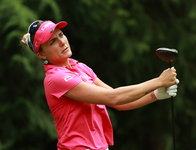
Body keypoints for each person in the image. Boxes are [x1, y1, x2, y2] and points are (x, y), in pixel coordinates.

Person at [21, 20, 179, 150]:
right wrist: (158, 81)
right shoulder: (55, 78)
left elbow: (120, 103)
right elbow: (114, 97)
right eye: (52, 42)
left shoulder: (80, 67)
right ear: (41, 54)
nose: (62, 42)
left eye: (61, 35)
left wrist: (156, 94)